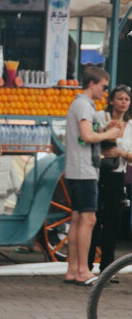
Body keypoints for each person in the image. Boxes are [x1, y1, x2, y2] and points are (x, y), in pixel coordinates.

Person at [64, 65, 120, 286]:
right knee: (88, 219)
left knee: (78, 219)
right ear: (92, 84)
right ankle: (82, 270)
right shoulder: (84, 105)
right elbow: (87, 136)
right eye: (104, 87)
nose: (105, 92)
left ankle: (72, 269)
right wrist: (110, 133)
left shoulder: (80, 105)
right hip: (84, 169)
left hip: (78, 168)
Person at [88, 84, 132, 274]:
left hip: (117, 174)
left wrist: (119, 152)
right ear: (112, 100)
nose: (123, 103)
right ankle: (87, 264)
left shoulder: (130, 125)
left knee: (113, 222)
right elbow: (89, 138)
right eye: (120, 98)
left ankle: (107, 268)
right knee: (93, 219)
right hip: (97, 173)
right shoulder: (99, 117)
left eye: (127, 99)